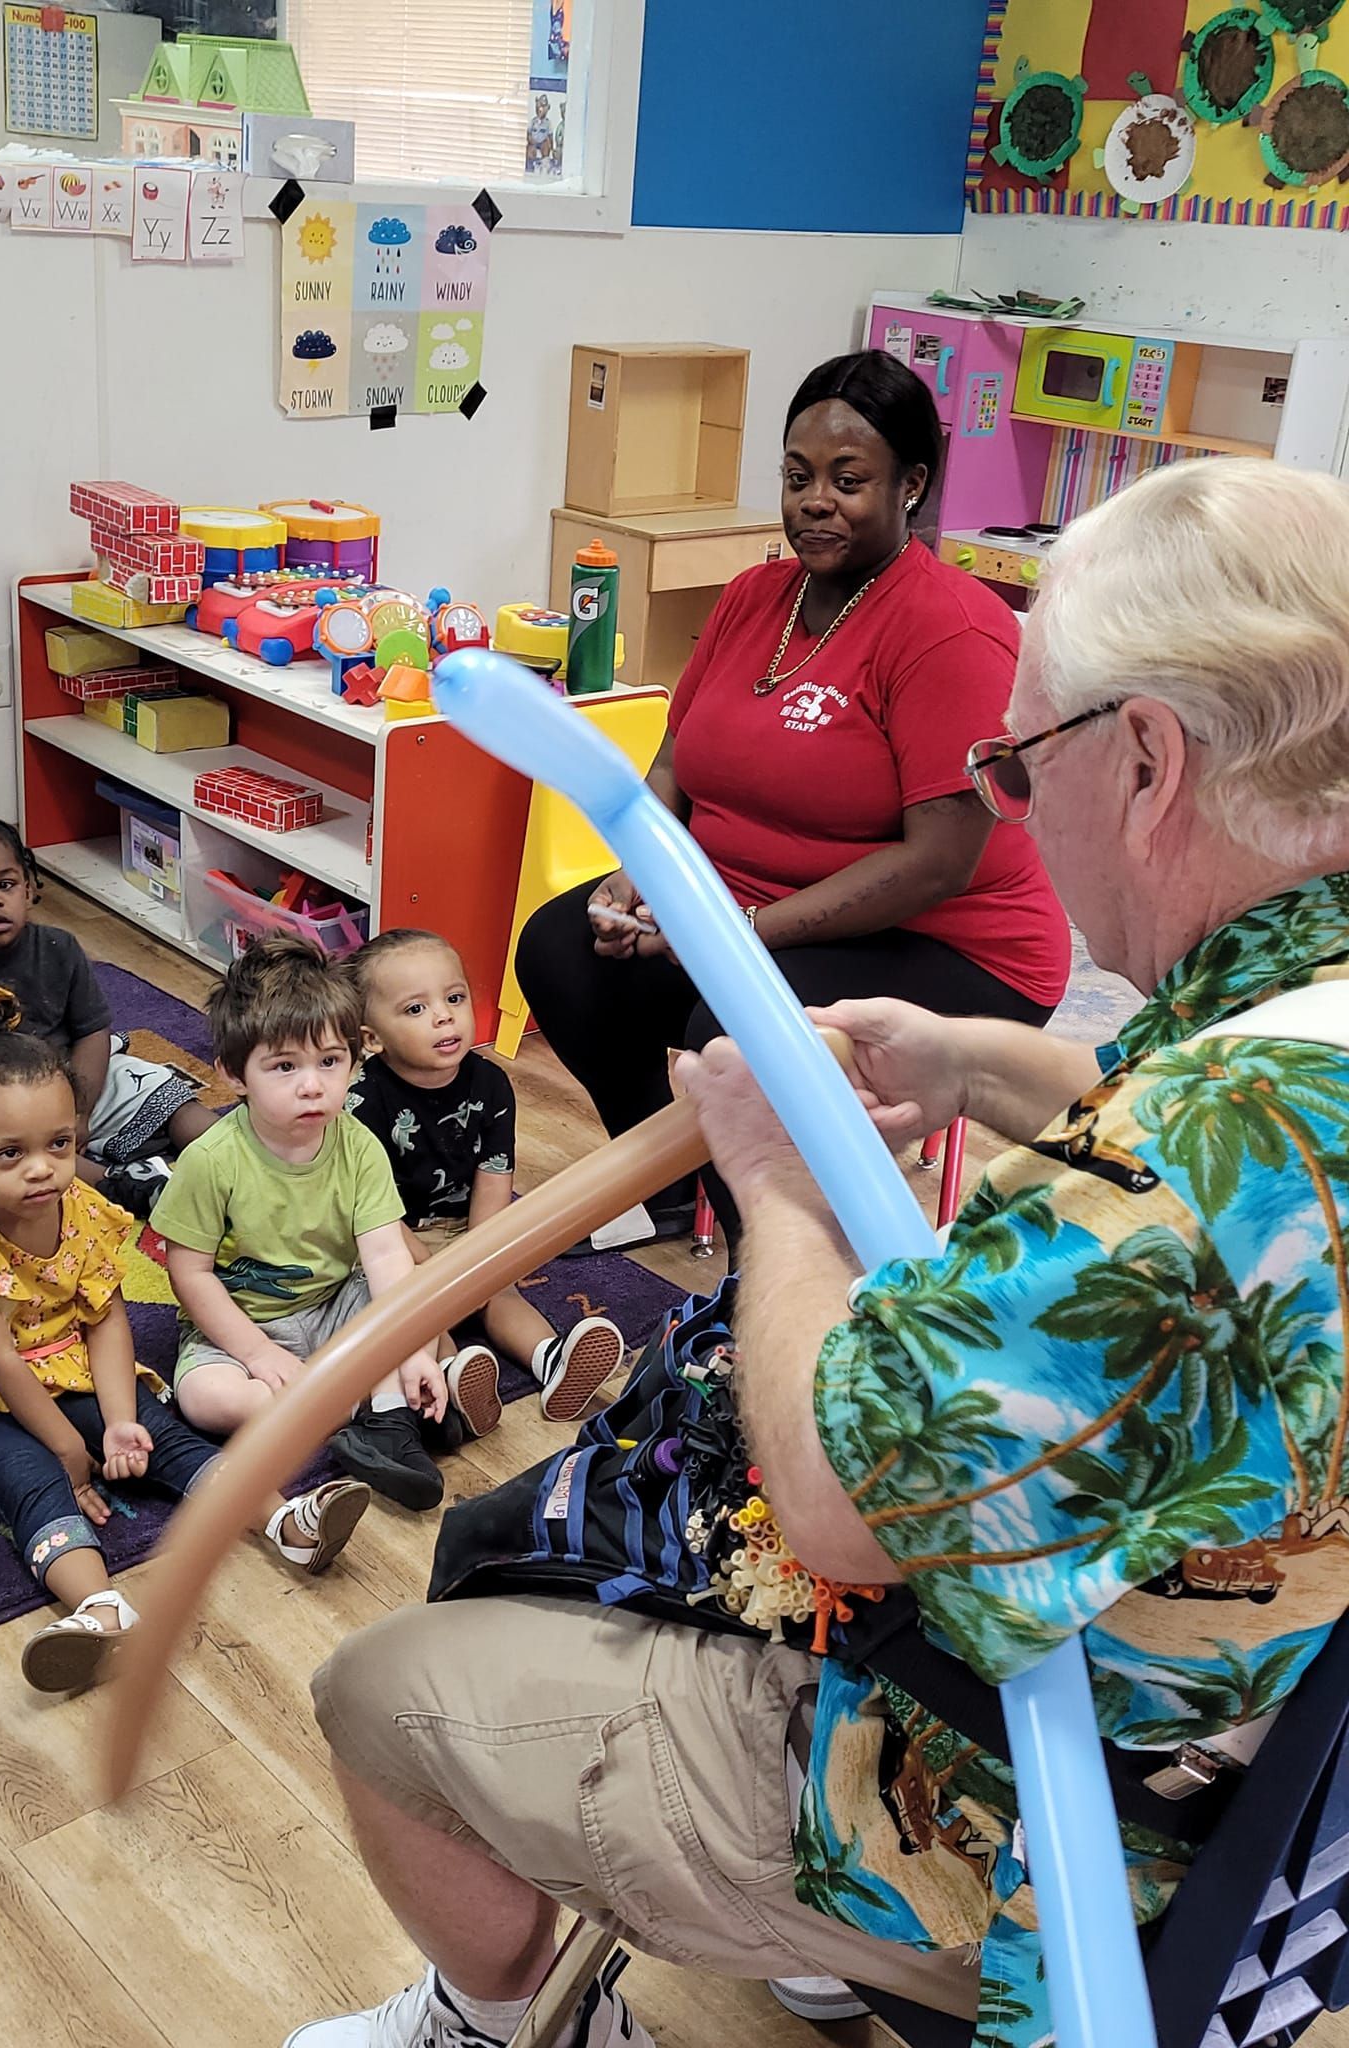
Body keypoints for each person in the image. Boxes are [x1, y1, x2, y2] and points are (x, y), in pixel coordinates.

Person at [292, 456, 1349, 2048]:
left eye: (1018, 764)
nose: (1013, 803)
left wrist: (776, 1186)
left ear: (1144, 759)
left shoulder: (1220, 1143)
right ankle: (774, 1928)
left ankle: (519, 2017)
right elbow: (1195, 1151)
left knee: (381, 1688)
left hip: (1060, 1796)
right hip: (1265, 1750)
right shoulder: (1285, 1053)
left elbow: (846, 1510)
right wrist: (972, 1060)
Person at [516, 349, 1070, 1254]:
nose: (816, 500)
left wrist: (734, 936)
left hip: (953, 943)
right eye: (798, 475)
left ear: (912, 486)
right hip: (749, 910)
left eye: (849, 480)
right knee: (563, 946)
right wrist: (635, 878)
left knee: (734, 1027)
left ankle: (782, 1270)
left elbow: (940, 861)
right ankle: (680, 1184)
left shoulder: (952, 632)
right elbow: (670, 774)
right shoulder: (752, 598)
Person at [0, 1026, 367, 1694]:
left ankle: (284, 1522)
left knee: (164, 1432)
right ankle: (101, 1610)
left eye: (59, 1144)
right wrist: (67, 1446)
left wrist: (120, 1421)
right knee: (32, 1478)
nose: (42, 1167)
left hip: (70, 1362)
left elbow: (107, 1317)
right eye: (9, 1153)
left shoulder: (84, 1208)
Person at [151, 934, 449, 1511]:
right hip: (245, 1324)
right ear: (235, 1075)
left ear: (354, 1063)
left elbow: (386, 1257)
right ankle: (377, 1406)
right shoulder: (211, 1160)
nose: (312, 1084)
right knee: (204, 1399)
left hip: (337, 1303)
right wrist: (258, 1353)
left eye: (330, 1062)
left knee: (418, 1292)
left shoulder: (359, 1145)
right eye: (284, 1066)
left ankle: (388, 1413)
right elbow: (189, 1275)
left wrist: (413, 1347)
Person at [347, 928, 627, 1440]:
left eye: (454, 998)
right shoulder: (362, 1104)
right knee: (418, 1309)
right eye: (415, 1009)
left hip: (466, 1228)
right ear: (372, 1039)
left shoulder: (490, 1083)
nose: (443, 1016)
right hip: (394, 1239)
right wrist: (432, 1267)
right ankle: (455, 1374)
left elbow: (495, 1176)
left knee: (500, 1289)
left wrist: (481, 1254)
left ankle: (552, 1359)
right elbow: (371, 1207)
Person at [0, 815, 217, 1216]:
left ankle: (229, 1151)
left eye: (6, 884)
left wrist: (79, 1111)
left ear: (29, 889)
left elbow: (92, 1032)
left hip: (78, 1083)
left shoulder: (59, 948)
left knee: (160, 1087)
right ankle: (121, 1186)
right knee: (12, 1158)